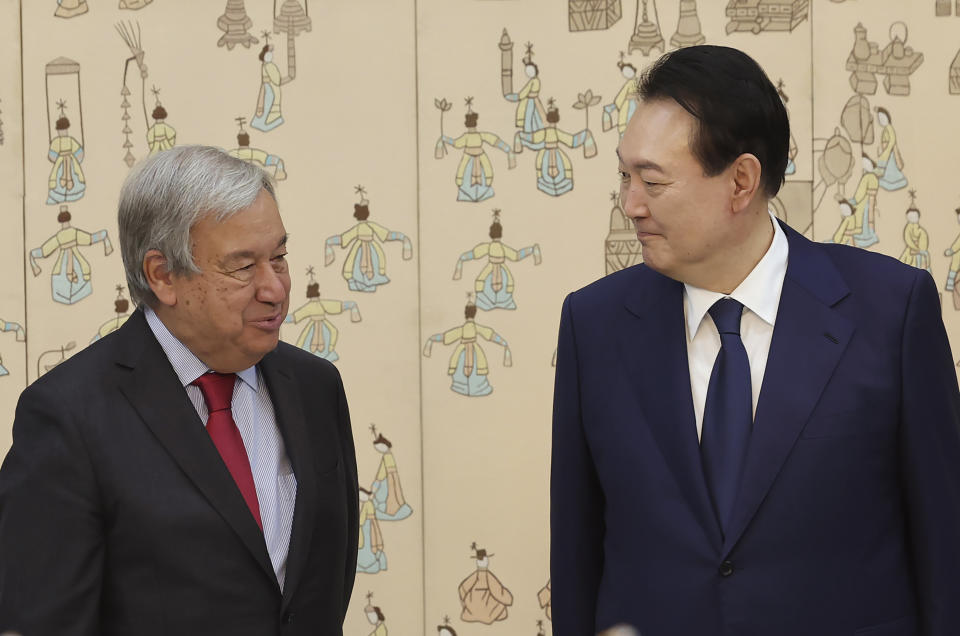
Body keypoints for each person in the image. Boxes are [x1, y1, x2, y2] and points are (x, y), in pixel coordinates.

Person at [551, 45, 960, 636]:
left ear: (741, 181)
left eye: (653, 181)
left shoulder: (890, 312)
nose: (630, 204)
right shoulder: (595, 325)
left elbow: (946, 549)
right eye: (624, 175)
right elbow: (577, 551)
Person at [0, 145, 359, 635]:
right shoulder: (70, 416)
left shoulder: (316, 388)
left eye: (279, 258)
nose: (275, 288)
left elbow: (324, 588)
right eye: (242, 266)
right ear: (163, 275)